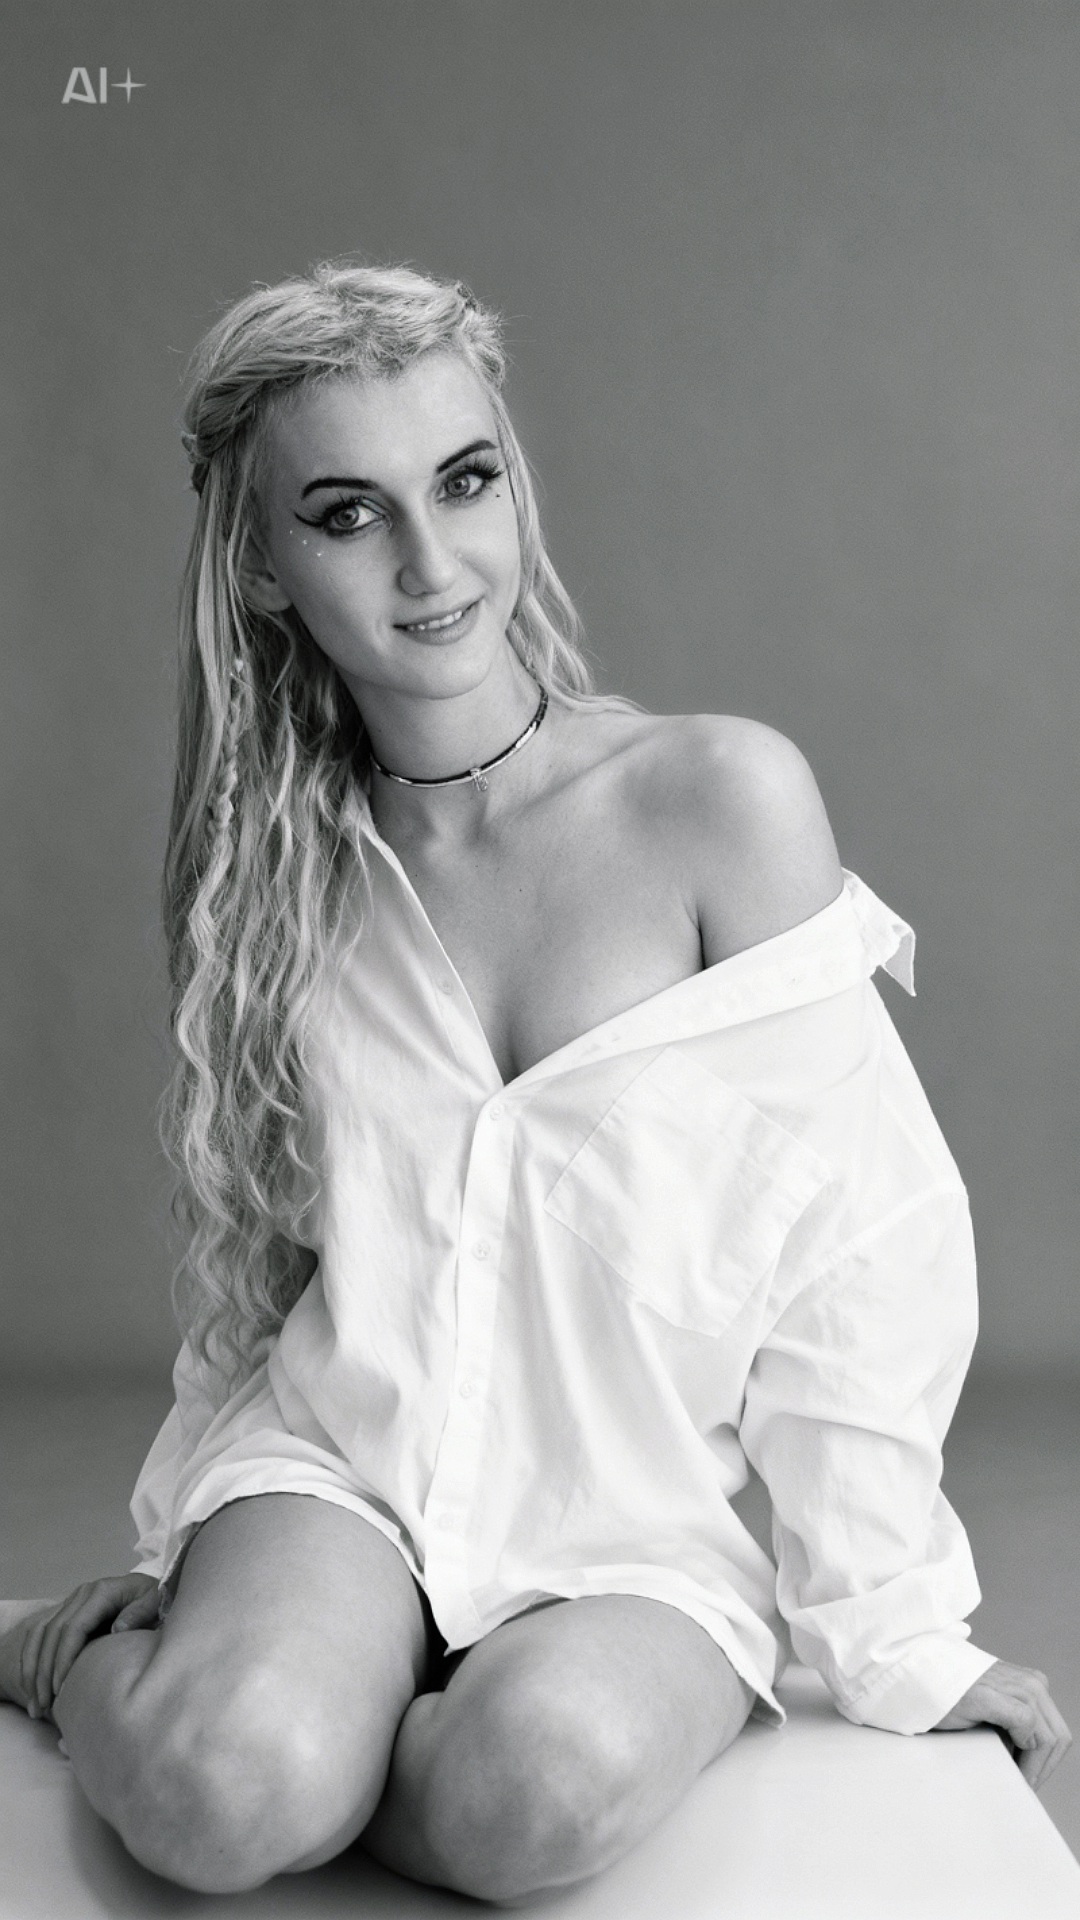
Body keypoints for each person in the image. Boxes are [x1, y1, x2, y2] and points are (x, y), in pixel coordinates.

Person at [0, 261, 1070, 1902]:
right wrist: (197, 1567)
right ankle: (62, 1650)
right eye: (349, 514)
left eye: (465, 482)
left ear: (514, 484)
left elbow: (860, 1243)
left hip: (634, 1521)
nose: (432, 564)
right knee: (223, 1796)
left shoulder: (717, 803)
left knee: (535, 1800)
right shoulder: (272, 873)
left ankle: (359, 1729)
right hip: (346, 1472)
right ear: (265, 564)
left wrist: (896, 1631)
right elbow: (269, 1253)